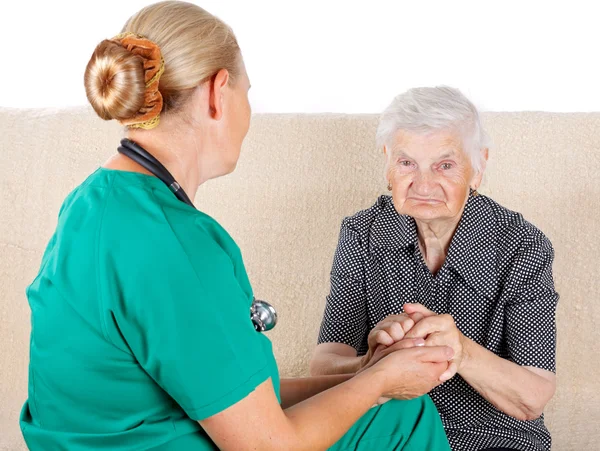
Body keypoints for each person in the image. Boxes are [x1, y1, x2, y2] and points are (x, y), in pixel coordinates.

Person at [19, 2, 453, 450]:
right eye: (248, 92)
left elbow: (237, 402)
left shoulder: (92, 203)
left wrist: (365, 373)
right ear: (217, 93)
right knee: (405, 417)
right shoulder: (177, 245)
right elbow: (267, 446)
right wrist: (382, 386)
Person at [310, 86, 559, 451]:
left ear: (479, 167)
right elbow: (325, 362)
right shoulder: (362, 233)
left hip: (490, 439)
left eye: (444, 165)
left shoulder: (522, 245)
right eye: (407, 162)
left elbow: (533, 394)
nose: (423, 184)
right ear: (387, 162)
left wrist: (460, 350)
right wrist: (372, 363)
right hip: (388, 430)